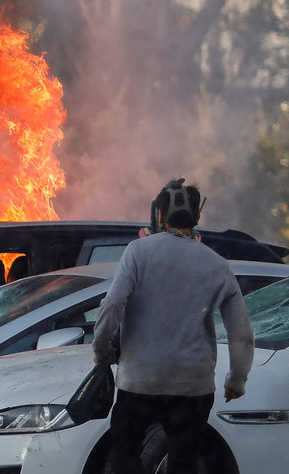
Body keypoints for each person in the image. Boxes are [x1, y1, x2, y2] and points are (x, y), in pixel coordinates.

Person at [92, 179, 254, 473]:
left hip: (139, 381)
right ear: (198, 217)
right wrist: (236, 381)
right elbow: (241, 334)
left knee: (124, 456)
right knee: (184, 462)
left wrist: (101, 348)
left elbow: (113, 305)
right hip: (192, 386)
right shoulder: (218, 265)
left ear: (159, 215)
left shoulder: (137, 252)